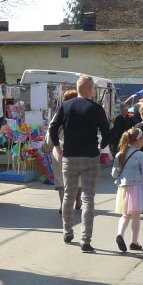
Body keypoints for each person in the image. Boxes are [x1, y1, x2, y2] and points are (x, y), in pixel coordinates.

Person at [49, 74, 110, 252]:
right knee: (88, 200)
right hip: (90, 157)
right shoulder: (97, 108)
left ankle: (67, 232)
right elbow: (107, 132)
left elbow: (53, 126)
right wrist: (101, 147)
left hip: (69, 156)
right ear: (91, 89)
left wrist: (57, 147)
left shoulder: (66, 106)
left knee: (68, 196)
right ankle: (86, 241)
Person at [111, 127, 143, 254]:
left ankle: (120, 234)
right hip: (137, 187)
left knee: (125, 214)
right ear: (138, 141)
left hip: (123, 187)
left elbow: (114, 174)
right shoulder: (141, 155)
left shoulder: (119, 154)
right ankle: (134, 242)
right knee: (136, 216)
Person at [46, 89, 82, 214]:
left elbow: (51, 130)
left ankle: (63, 204)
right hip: (78, 151)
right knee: (78, 177)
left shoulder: (59, 114)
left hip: (60, 150)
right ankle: (78, 200)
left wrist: (47, 147)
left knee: (60, 179)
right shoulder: (82, 114)